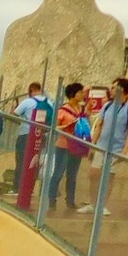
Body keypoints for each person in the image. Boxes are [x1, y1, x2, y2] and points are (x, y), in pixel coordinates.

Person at [81, 77, 128, 216]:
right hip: (102, 145)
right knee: (94, 174)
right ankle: (93, 203)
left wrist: (125, 151)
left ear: (121, 90)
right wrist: (92, 145)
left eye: (113, 87)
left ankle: (102, 205)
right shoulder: (107, 106)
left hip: (116, 148)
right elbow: (99, 125)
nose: (111, 90)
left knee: (109, 177)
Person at [47, 83, 88, 212]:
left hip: (77, 145)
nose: (82, 94)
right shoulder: (62, 110)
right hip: (64, 145)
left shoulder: (81, 109)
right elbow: (54, 127)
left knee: (72, 175)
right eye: (80, 92)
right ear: (72, 94)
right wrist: (66, 127)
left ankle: (70, 201)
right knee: (58, 173)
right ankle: (51, 200)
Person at [13, 82, 51, 173]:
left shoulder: (28, 101)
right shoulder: (49, 102)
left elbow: (14, 114)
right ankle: (31, 184)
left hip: (26, 135)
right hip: (41, 135)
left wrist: (14, 108)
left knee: (21, 161)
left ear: (31, 90)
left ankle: (18, 185)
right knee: (34, 162)